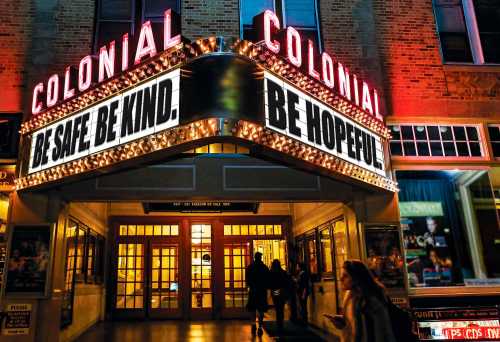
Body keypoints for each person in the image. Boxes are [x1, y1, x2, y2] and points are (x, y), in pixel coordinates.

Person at [327, 260, 396, 342]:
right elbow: (353, 322)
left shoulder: (371, 300)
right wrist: (342, 321)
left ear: (357, 278)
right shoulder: (349, 296)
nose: (341, 279)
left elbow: (383, 332)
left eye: (346, 276)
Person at [245, 252, 269, 336]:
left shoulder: (250, 267)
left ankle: (253, 324)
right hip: (262, 291)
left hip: (253, 290)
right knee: (261, 309)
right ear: (260, 258)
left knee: (252, 309)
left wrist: (249, 286)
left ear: (255, 258)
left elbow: (247, 279)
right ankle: (260, 326)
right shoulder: (264, 267)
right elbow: (267, 279)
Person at [268, 259, 292, 330]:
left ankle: (279, 323)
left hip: (276, 290)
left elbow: (269, 282)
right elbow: (287, 282)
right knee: (281, 307)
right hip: (282, 291)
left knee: (277, 306)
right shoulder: (283, 272)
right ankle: (281, 322)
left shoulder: (271, 272)